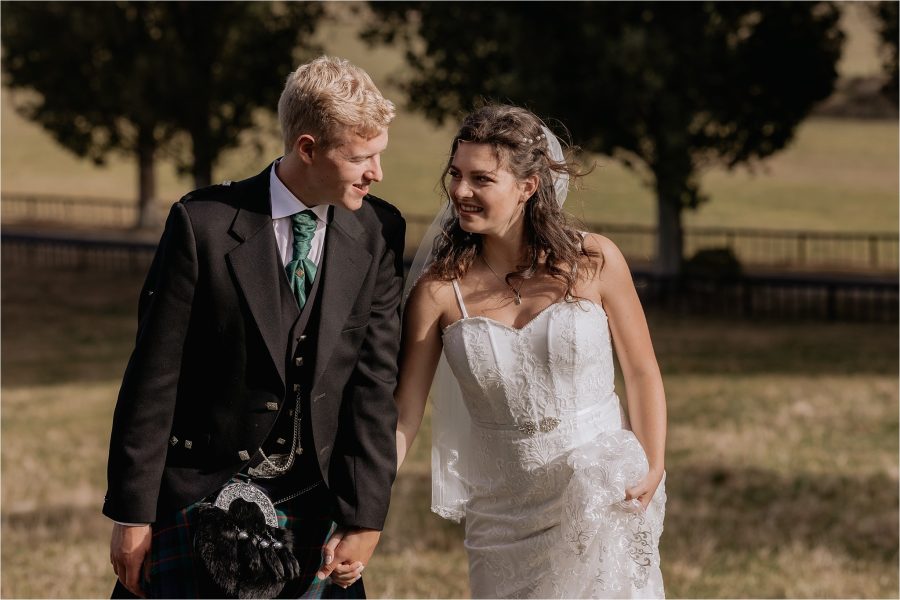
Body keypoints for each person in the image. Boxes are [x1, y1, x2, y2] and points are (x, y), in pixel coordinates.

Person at [104, 56, 405, 598]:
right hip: (200, 493)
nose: (376, 173)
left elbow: (373, 386)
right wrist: (132, 514)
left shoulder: (379, 230)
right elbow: (153, 376)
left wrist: (365, 518)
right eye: (361, 158)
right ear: (308, 148)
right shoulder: (204, 225)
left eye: (379, 155)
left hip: (313, 502)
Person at [395, 104, 667, 598]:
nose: (460, 191)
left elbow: (643, 371)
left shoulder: (594, 261)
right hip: (501, 519)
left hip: (600, 497)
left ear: (528, 186)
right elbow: (404, 414)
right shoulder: (437, 292)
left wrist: (652, 466)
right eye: (455, 175)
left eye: (481, 179)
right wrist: (363, 506)